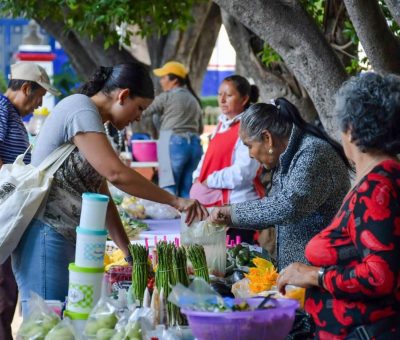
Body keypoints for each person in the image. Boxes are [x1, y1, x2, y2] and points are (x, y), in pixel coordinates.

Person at [11, 63, 208, 316]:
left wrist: (129, 252)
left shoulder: (93, 122)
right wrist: (176, 201)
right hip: (46, 234)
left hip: (65, 237)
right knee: (45, 324)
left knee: (63, 325)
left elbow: (101, 195)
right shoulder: (79, 108)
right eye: (139, 109)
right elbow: (116, 174)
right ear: (123, 95)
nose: (138, 117)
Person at [277, 73, 400, 339]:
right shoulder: (381, 178)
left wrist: (314, 276)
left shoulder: (378, 187)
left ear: (351, 130)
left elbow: (380, 275)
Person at [208, 99, 352, 270]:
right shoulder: (288, 157)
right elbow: (270, 210)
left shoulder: (312, 153)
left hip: (319, 274)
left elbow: (288, 207)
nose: (250, 155)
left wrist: (231, 213)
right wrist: (228, 216)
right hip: (299, 274)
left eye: (249, 146)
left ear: (267, 138)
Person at [0, 62, 59, 339]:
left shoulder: (11, 115)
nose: (39, 104)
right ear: (25, 88)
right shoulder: (1, 110)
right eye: (39, 96)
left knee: (8, 290)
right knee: (3, 292)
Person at [191, 75, 264, 244]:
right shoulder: (222, 124)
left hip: (237, 209)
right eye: (219, 94)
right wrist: (197, 177)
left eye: (229, 95)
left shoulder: (248, 127)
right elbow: (207, 156)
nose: (222, 100)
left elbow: (244, 172)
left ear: (244, 98)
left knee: (236, 260)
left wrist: (209, 180)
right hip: (218, 210)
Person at [142, 61, 203, 198]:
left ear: (174, 80)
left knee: (168, 189)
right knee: (187, 192)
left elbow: (143, 110)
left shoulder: (167, 96)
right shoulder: (193, 99)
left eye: (164, 77)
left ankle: (167, 216)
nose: (161, 81)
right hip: (194, 145)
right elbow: (200, 128)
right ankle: (187, 219)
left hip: (172, 142)